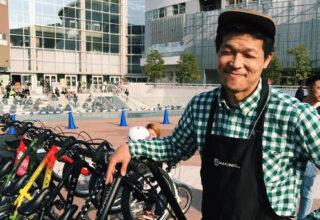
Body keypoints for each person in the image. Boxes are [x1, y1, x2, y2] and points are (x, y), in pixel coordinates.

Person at [106, 9, 320, 219]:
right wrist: (131, 148)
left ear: (266, 59)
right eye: (228, 51)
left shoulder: (295, 115)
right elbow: (175, 146)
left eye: (248, 55)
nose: (236, 63)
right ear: (217, 53)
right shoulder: (202, 105)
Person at [297, 75, 320, 219]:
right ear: (308, 88)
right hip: (291, 155)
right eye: (318, 88)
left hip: (311, 159)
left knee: (306, 192)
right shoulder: (295, 105)